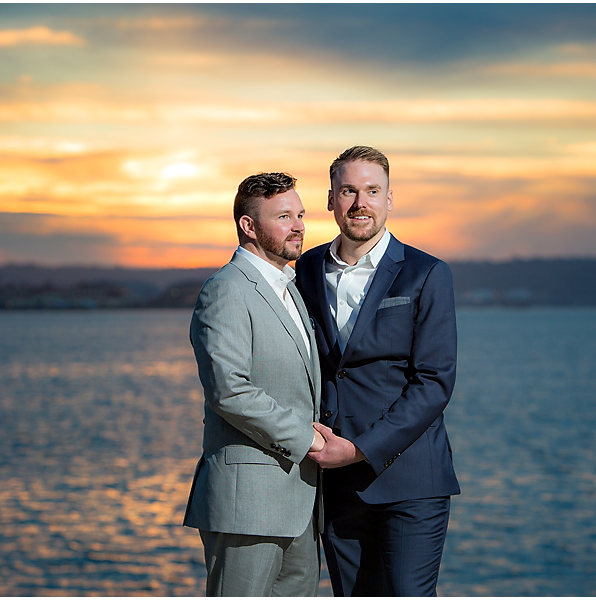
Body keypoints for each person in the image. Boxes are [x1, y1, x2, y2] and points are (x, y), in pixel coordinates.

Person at [295, 146, 459, 596]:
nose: (359, 202)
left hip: (410, 480)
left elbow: (434, 383)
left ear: (390, 199)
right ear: (330, 199)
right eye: (348, 190)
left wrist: (361, 449)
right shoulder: (307, 268)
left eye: (372, 190)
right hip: (336, 483)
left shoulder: (426, 274)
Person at [184, 172, 325, 597]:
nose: (299, 225)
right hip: (247, 504)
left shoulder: (291, 290)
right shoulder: (225, 290)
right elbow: (229, 391)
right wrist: (311, 441)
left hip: (300, 499)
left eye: (300, 214)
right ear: (248, 226)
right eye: (284, 216)